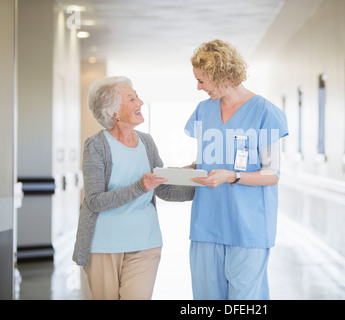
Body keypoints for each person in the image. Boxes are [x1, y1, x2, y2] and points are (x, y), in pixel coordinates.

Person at [72, 76, 194, 300]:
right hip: (103, 245)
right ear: (113, 112)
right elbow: (94, 200)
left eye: (136, 96)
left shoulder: (146, 141)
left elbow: (162, 188)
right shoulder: (96, 146)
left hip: (145, 243)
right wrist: (139, 187)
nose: (139, 102)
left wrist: (196, 181)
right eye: (131, 98)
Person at [184, 39, 289, 300]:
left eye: (202, 80)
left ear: (221, 75)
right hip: (206, 223)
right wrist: (185, 171)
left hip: (248, 226)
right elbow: (208, 159)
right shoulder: (203, 110)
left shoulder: (265, 112)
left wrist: (233, 176)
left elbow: (272, 174)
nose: (198, 87)